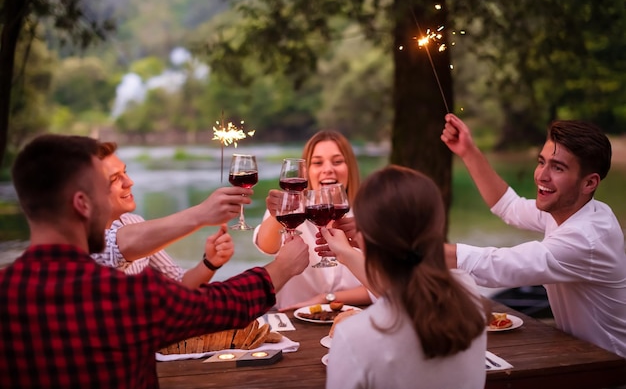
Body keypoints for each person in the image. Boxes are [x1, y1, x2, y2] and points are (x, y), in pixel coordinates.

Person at [0, 134, 309, 389]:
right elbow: (223, 305)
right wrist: (280, 268)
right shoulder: (127, 296)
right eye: (104, 186)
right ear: (82, 204)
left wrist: (209, 261)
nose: (129, 184)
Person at [441, 113, 626, 357]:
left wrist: (411, 247)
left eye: (557, 167)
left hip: (610, 368)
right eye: (541, 162)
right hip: (579, 355)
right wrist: (468, 151)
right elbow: (509, 207)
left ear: (589, 183)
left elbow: (498, 265)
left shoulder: (587, 238)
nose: (541, 175)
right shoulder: (574, 208)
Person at [321, 165, 489, 389]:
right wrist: (348, 254)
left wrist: (348, 253)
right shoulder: (469, 296)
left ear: (363, 239)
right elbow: (402, 289)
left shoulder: (354, 336)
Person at [92, 141, 247, 288]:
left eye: (125, 172)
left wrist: (210, 263)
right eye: (114, 179)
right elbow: (117, 245)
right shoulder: (80, 240)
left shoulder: (133, 221)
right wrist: (202, 213)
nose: (129, 182)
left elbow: (179, 283)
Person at [253, 130, 372, 310]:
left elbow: (385, 287)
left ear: (350, 168)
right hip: (294, 322)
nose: (328, 169)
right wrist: (277, 214)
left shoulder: (368, 215)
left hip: (351, 319)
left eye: (337, 161)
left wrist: (327, 298)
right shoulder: (292, 213)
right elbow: (266, 245)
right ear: (306, 172)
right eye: (317, 163)